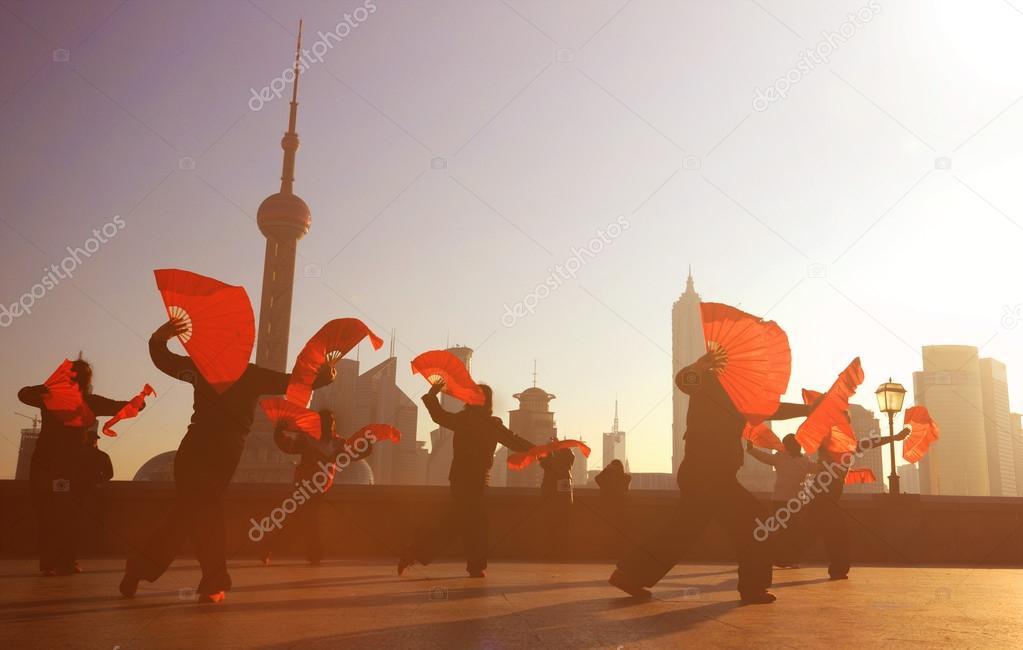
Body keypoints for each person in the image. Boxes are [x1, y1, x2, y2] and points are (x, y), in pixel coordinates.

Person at [119, 317, 334, 603]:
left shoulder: (202, 368)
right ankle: (212, 581)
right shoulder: (250, 374)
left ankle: (141, 569)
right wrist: (324, 376)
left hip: (193, 451)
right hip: (220, 454)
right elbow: (292, 382)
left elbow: (165, 361)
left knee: (184, 514)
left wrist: (159, 339)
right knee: (204, 511)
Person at [609, 348, 815, 604]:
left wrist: (808, 410)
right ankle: (753, 588)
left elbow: (771, 409)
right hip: (708, 474)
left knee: (681, 532)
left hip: (708, 474)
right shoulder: (708, 382)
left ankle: (629, 575)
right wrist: (699, 365)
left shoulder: (741, 396)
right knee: (757, 525)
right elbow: (684, 381)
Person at [398, 380, 534, 578]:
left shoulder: (466, 420)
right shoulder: (491, 424)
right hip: (475, 479)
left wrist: (432, 394)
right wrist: (540, 451)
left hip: (462, 479)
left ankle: (419, 552)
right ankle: (470, 565)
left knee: (461, 521)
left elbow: (438, 416)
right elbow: (515, 441)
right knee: (473, 523)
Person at [18, 357, 132, 576]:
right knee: (70, 514)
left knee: (48, 514)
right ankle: (67, 562)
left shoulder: (48, 397)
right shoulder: (89, 402)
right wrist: (138, 401)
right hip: (73, 466)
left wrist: (46, 388)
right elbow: (118, 406)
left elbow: (23, 394)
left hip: (47, 464)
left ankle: (49, 564)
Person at [261, 410, 371, 566]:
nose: (328, 425)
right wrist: (279, 433)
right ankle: (313, 553)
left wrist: (367, 448)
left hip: (320, 487)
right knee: (309, 519)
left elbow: (353, 454)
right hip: (304, 486)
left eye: (331, 421)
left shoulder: (338, 443)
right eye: (326, 422)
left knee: (302, 520)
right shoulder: (307, 439)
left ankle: (271, 546)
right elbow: (288, 446)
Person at [805, 416, 909, 580]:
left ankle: (836, 568)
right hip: (823, 491)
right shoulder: (828, 442)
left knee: (826, 532)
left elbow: (872, 442)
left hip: (829, 491)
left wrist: (894, 437)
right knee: (832, 532)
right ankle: (836, 568)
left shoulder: (849, 447)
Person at [744, 435, 819, 568]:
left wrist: (752, 449)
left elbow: (765, 458)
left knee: (787, 532)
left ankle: (784, 559)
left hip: (787, 501)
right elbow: (817, 469)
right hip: (788, 501)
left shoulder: (793, 459)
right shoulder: (795, 459)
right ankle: (784, 559)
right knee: (788, 531)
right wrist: (751, 449)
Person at [539, 443, 575, 558]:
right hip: (563, 500)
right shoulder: (567, 464)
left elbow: (543, 460)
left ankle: (554, 551)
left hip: (551, 499)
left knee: (552, 526)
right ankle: (562, 551)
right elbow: (570, 456)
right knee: (563, 526)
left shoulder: (552, 462)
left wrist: (550, 450)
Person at [594, 459, 632, 559]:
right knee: (619, 532)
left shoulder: (609, 479)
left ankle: (609, 552)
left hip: (608, 508)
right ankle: (618, 552)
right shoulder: (626, 477)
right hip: (621, 508)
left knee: (608, 532)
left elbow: (597, 478)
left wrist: (607, 470)